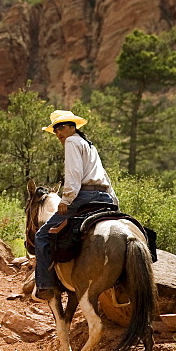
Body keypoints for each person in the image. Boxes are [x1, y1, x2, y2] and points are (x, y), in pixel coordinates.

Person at [32, 110, 119, 302]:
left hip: (84, 197)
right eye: (56, 131)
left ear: (73, 127)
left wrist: (66, 200)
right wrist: (113, 201)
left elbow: (74, 174)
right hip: (104, 197)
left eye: (62, 128)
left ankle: (45, 285)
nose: (59, 134)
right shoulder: (89, 145)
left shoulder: (72, 142)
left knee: (42, 236)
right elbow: (104, 176)